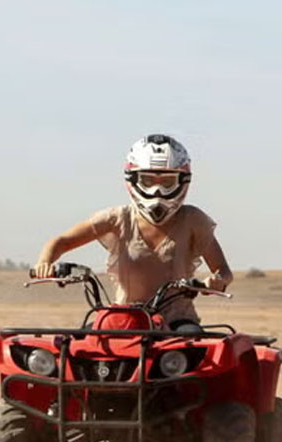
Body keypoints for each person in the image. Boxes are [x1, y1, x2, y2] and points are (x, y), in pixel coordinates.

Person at [34, 134, 234, 326]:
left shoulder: (192, 220)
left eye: (167, 182)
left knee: (194, 352)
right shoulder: (117, 218)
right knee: (83, 347)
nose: (157, 191)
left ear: (182, 181)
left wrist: (216, 281)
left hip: (177, 321)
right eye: (148, 181)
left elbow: (223, 271)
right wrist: (45, 263)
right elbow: (62, 241)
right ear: (133, 179)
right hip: (124, 318)